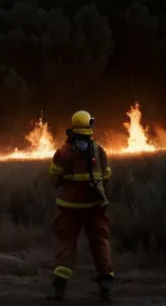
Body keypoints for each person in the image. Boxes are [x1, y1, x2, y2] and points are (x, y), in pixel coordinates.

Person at [47, 110, 115, 303]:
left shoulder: (64, 152)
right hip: (95, 207)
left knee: (66, 243)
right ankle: (106, 287)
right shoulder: (99, 150)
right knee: (100, 241)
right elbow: (107, 178)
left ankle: (59, 288)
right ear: (89, 127)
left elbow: (54, 179)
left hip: (69, 207)